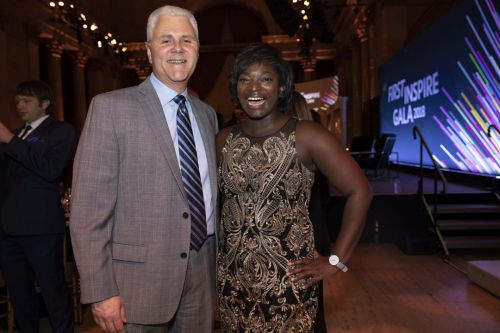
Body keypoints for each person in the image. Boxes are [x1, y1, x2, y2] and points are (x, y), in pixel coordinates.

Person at [69, 5, 218, 333]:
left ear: (197, 50)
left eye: (187, 40)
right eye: (166, 40)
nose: (177, 48)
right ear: (149, 51)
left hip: (201, 272)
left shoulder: (207, 115)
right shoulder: (110, 108)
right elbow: (87, 214)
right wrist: (101, 290)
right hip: (136, 283)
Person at [215, 43, 372, 332]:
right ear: (235, 87)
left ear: (283, 87)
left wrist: (335, 261)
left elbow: (360, 191)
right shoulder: (223, 140)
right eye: (245, 78)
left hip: (290, 285)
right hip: (233, 285)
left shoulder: (307, 135)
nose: (254, 88)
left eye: (266, 79)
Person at [0, 80, 75, 333]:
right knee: (20, 297)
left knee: (53, 292)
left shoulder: (60, 132)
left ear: (45, 104)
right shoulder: (16, 134)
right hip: (8, 230)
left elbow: (50, 169)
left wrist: (10, 140)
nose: (19, 105)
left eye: (27, 101)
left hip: (40, 228)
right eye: (18, 100)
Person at [290, 90, 330, 333]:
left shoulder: (308, 144)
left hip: (309, 239)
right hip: (317, 232)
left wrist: (335, 261)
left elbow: (360, 191)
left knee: (308, 313)